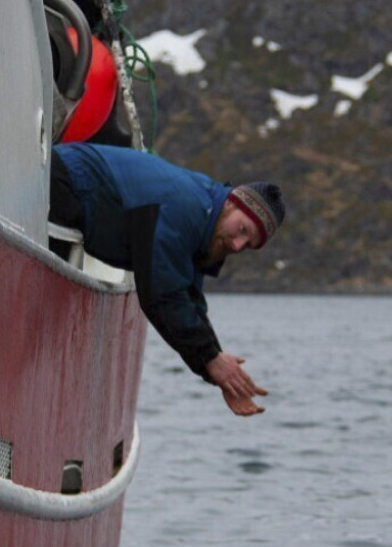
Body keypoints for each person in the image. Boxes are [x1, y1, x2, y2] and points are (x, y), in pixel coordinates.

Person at [49, 142, 287, 416]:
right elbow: (162, 294)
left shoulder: (205, 219)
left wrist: (218, 367)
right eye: (242, 229)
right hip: (63, 179)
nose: (237, 244)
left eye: (248, 245)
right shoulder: (185, 206)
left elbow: (189, 300)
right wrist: (211, 360)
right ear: (232, 203)